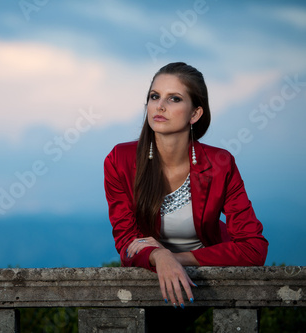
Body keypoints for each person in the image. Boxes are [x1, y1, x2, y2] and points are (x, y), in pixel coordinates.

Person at [103, 62, 268, 315]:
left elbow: (253, 248)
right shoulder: (120, 160)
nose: (160, 106)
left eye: (174, 99)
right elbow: (127, 242)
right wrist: (159, 258)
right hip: (149, 279)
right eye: (154, 96)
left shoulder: (220, 163)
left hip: (204, 277)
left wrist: (174, 258)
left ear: (195, 114)